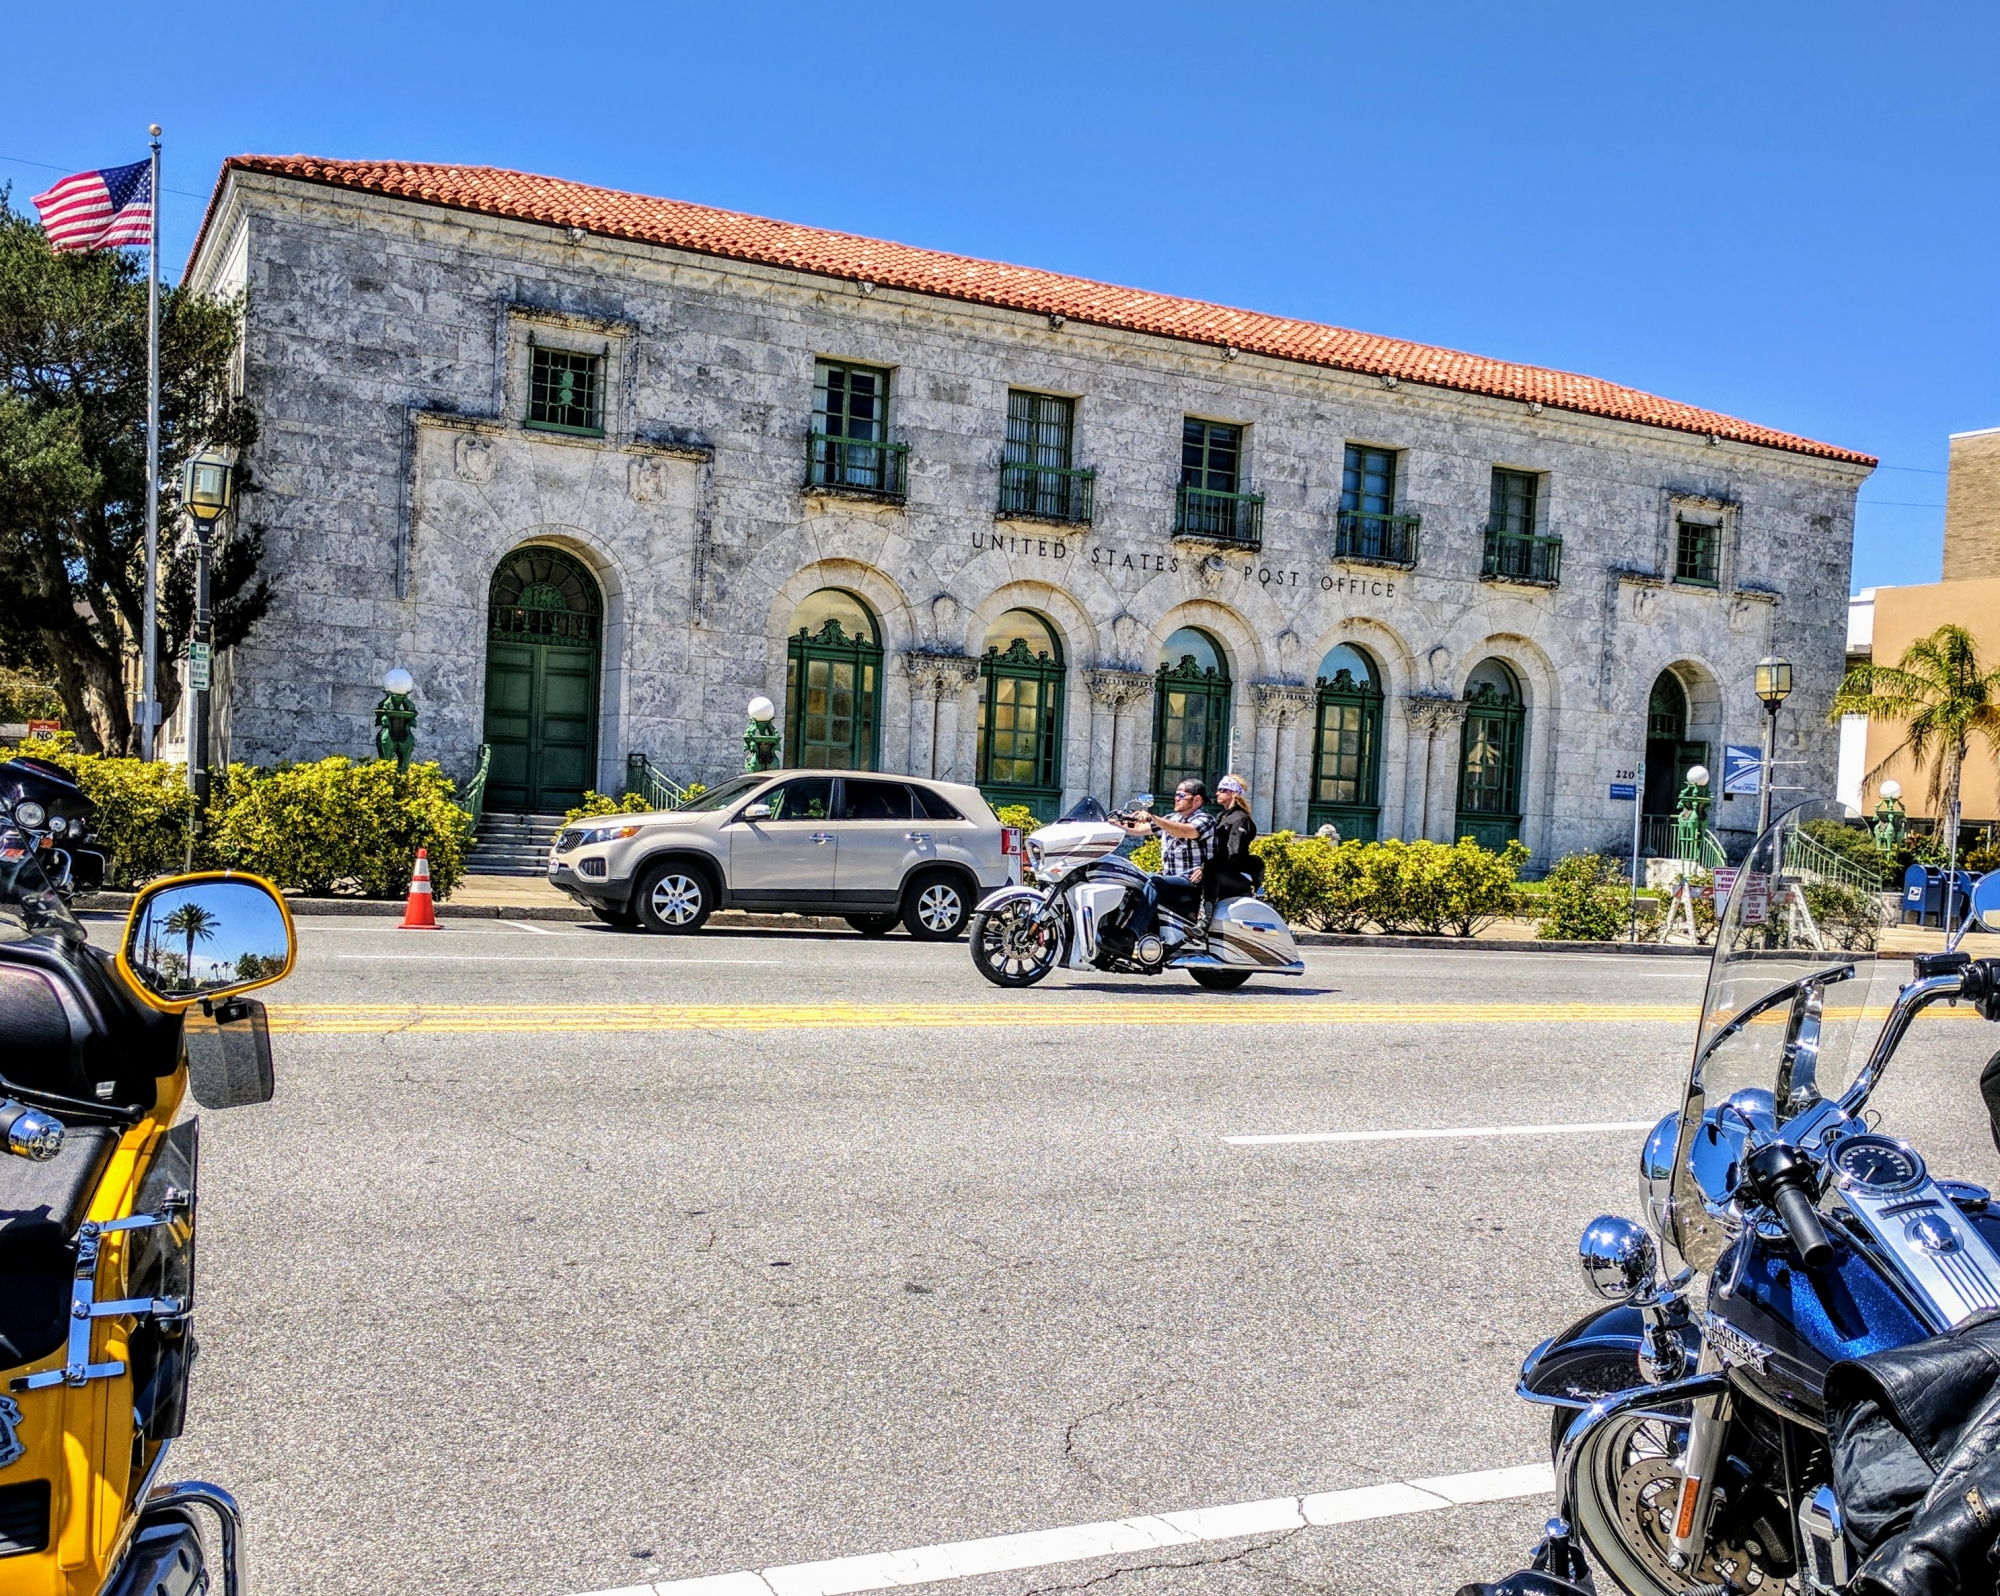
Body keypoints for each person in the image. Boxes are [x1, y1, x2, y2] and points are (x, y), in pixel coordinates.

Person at [1113, 779, 1214, 941]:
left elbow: (1185, 832)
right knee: (1130, 878)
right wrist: (1110, 823)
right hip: (1171, 879)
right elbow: (1138, 829)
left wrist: (1153, 818)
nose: (1176, 798)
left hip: (1189, 883)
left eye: (1181, 795)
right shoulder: (1172, 818)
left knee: (1155, 882)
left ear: (1196, 800)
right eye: (1176, 795)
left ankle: (1131, 935)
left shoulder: (1205, 820)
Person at [1203, 774, 1258, 918]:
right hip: (1223, 871)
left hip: (1237, 874)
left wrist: (1211, 866)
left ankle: (1205, 920)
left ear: (1233, 793)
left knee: (1210, 874)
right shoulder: (1222, 816)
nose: (1217, 793)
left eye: (1222, 790)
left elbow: (1234, 853)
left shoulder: (1240, 818)